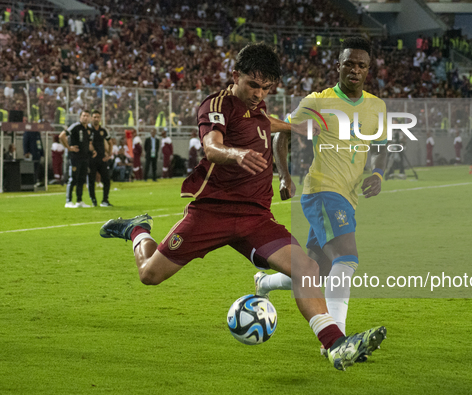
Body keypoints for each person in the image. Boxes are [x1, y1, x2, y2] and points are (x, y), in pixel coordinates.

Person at [99, 43, 385, 371]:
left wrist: (293, 127)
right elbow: (211, 146)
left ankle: (335, 344)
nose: (259, 94)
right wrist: (236, 154)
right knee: (149, 274)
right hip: (212, 213)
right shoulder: (216, 104)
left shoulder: (257, 107)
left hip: (254, 217)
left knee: (306, 268)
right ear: (235, 76)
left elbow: (264, 122)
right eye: (253, 85)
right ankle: (137, 230)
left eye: (266, 88)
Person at [256, 37, 388, 348]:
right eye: (349, 64)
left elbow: (382, 147)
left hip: (348, 196)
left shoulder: (376, 107)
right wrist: (285, 176)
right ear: (338, 66)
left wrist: (379, 173)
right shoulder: (318, 101)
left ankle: (265, 281)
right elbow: (281, 134)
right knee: (347, 258)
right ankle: (336, 339)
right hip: (321, 191)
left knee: (316, 270)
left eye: (361, 65)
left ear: (369, 70)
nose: (354, 70)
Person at [60, 110, 96, 207]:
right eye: (84, 115)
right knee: (73, 179)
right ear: (80, 117)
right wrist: (69, 147)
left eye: (87, 116)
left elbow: (89, 144)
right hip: (74, 157)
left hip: (84, 157)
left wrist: (93, 151)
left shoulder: (88, 129)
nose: (85, 117)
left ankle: (79, 201)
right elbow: (62, 136)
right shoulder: (75, 127)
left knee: (81, 179)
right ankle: (68, 201)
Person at [88, 110, 113, 207]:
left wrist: (109, 155)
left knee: (106, 179)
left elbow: (110, 142)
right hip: (91, 159)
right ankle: (93, 200)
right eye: (94, 117)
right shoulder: (88, 130)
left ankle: (105, 200)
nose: (96, 119)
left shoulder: (103, 130)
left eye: (98, 117)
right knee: (91, 180)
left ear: (100, 118)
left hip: (102, 159)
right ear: (91, 118)